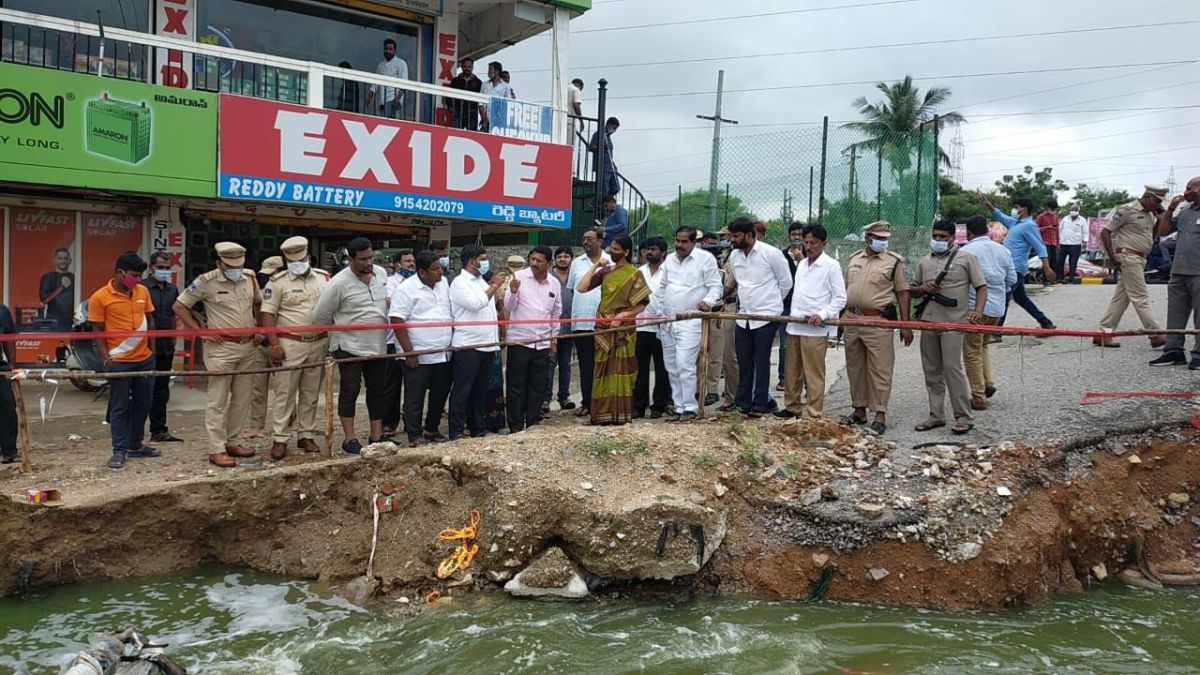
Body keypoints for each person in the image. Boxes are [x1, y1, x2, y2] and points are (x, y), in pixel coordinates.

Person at [174, 242, 261, 468]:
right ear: (219, 263)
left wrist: (259, 328)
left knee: (242, 399)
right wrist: (201, 332)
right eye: (230, 265)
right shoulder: (206, 282)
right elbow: (180, 306)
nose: (235, 269)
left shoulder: (250, 278)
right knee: (218, 400)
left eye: (238, 264)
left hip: (247, 346)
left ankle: (232, 442)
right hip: (221, 349)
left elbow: (258, 304)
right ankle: (216, 448)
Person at [313, 237, 390, 454]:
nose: (368, 262)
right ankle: (349, 438)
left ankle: (376, 435)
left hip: (377, 344)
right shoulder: (337, 283)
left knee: (377, 389)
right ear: (351, 259)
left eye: (371, 257)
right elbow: (320, 316)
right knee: (350, 389)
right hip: (348, 345)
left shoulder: (381, 275)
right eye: (363, 259)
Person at [912, 221, 988, 435]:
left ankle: (963, 416)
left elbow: (981, 286)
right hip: (929, 321)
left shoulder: (966, 258)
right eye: (935, 235)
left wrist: (978, 311)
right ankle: (936, 416)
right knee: (931, 371)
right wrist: (920, 288)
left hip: (954, 322)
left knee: (953, 369)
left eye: (943, 236)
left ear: (953, 238)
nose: (938, 240)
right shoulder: (924, 262)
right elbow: (913, 289)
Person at [841, 221, 914, 435]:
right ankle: (859, 410)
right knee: (855, 367)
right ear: (867, 238)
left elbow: (902, 292)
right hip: (852, 318)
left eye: (885, 238)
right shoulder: (854, 259)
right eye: (878, 238)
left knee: (880, 368)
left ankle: (880, 413)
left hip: (878, 320)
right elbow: (846, 289)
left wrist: (905, 324)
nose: (882, 241)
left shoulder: (894, 262)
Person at [260, 236, 330, 460]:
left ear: (308, 256)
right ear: (286, 260)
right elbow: (267, 315)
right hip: (290, 343)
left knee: (310, 393)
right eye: (293, 260)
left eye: (301, 258)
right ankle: (280, 438)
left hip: (318, 341)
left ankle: (306, 434)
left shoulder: (323, 278)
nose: (298, 263)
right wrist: (274, 345)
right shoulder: (277, 282)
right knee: (285, 393)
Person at [89, 252, 158, 470]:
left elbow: (150, 320)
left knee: (143, 403)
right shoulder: (99, 297)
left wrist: (152, 350)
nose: (137, 280)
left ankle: (135, 445)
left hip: (145, 359)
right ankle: (119, 451)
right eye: (134, 275)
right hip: (119, 361)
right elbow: (97, 331)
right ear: (120, 272)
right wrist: (106, 358)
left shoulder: (142, 291)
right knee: (119, 407)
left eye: (140, 276)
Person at [575, 235, 650, 425]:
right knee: (601, 369)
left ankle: (621, 414)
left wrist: (622, 315)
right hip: (603, 328)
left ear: (626, 252)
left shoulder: (635, 273)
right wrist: (595, 267)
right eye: (611, 248)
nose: (611, 252)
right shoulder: (606, 271)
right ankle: (601, 414)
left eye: (616, 249)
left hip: (623, 331)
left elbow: (642, 304)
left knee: (623, 370)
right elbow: (581, 288)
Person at [775, 224, 845, 420]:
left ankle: (814, 413)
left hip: (814, 329)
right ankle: (792, 407)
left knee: (813, 373)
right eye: (806, 242)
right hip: (795, 325)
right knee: (791, 371)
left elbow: (840, 298)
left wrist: (822, 314)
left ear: (824, 243)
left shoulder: (831, 266)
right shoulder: (802, 265)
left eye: (813, 243)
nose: (809, 246)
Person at [726, 217, 792, 417]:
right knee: (744, 361)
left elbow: (786, 283)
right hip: (744, 315)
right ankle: (742, 403)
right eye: (731, 236)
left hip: (766, 316)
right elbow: (739, 284)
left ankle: (760, 403)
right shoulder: (734, 256)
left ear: (750, 235)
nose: (732, 240)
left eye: (736, 236)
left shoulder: (771, 254)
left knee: (761, 361)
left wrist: (772, 305)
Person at [390, 251, 454, 447]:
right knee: (415, 396)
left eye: (440, 268)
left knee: (440, 393)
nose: (440, 273)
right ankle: (414, 434)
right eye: (435, 270)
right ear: (422, 272)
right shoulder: (406, 289)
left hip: (443, 352)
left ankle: (431, 428)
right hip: (418, 353)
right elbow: (397, 320)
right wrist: (409, 352)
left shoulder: (443, 284)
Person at [658, 227, 722, 421]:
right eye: (677, 241)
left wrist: (708, 302)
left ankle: (690, 407)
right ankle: (678, 407)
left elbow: (715, 287)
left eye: (684, 242)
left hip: (691, 320)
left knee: (684, 363)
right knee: (671, 365)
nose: (679, 245)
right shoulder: (669, 259)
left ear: (694, 242)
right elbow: (663, 287)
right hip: (667, 320)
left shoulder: (705, 259)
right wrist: (661, 313)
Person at [1095, 186, 1168, 348]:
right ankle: (1154, 333)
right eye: (1156, 201)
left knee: (1122, 298)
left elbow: (1151, 237)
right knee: (1140, 297)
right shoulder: (1127, 210)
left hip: (1140, 258)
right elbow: (1105, 232)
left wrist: (1160, 220)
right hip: (1128, 257)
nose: (1157, 205)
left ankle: (1104, 332)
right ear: (1148, 197)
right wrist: (1112, 256)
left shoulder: (1150, 214)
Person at [447, 244, 505, 440]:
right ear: (472, 261)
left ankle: (477, 427)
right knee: (463, 390)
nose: (486, 263)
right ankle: (455, 430)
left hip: (487, 343)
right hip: (468, 345)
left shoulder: (481, 281)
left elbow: (490, 309)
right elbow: (476, 304)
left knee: (480, 390)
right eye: (483, 259)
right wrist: (495, 285)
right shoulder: (459, 283)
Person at [960, 215, 1017, 409]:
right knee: (982, 345)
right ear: (986, 230)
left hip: (975, 309)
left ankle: (978, 396)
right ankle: (988, 383)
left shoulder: (965, 251)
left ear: (968, 232)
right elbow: (1012, 280)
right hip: (997, 309)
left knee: (972, 352)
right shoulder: (1003, 250)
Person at [504, 245, 562, 432]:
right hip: (520, 340)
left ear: (548, 263)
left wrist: (554, 339)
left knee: (538, 386)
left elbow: (556, 313)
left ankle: (532, 423)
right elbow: (509, 306)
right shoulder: (518, 277)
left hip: (543, 342)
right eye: (532, 259)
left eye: (539, 260)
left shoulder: (554, 283)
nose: (534, 263)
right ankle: (515, 425)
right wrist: (512, 291)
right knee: (516, 385)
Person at [983, 195, 1057, 329]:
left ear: (1024, 209)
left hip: (1015, 267)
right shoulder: (1015, 223)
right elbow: (999, 215)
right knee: (1020, 298)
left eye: (1016, 208)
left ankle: (996, 330)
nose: (1014, 210)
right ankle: (1045, 322)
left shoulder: (1029, 226)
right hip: (1009, 266)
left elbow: (1040, 247)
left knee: (1004, 296)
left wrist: (1047, 268)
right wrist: (988, 204)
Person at [1152, 177, 1200, 369]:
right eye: (1186, 187)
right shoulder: (1185, 211)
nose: (1187, 191)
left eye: (1191, 187)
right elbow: (1163, 231)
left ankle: (1198, 354)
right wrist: (1171, 208)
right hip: (1179, 270)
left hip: (1198, 271)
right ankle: (1173, 351)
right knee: (1175, 313)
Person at [142, 252, 182, 443]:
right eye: (161, 267)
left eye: (167, 268)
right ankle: (135, 433)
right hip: (144, 345)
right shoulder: (141, 288)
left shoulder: (172, 289)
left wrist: (174, 337)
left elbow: (174, 314)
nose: (164, 271)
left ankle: (159, 430)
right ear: (151, 267)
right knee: (143, 388)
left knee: (162, 388)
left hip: (166, 345)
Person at [566, 229, 605, 417]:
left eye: (589, 239)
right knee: (585, 366)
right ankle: (587, 402)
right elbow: (574, 290)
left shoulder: (610, 260)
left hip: (604, 323)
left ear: (600, 241)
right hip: (581, 321)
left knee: (604, 364)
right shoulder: (576, 263)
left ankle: (603, 403)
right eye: (583, 239)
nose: (585, 242)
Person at [632, 237, 671, 419]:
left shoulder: (669, 271)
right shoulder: (639, 272)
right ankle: (639, 405)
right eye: (647, 249)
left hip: (662, 327)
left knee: (663, 368)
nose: (649, 252)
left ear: (663, 252)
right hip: (641, 326)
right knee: (639, 368)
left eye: (654, 249)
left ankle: (660, 404)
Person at [245, 256, 283, 437]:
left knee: (284, 387)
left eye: (272, 274)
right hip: (261, 345)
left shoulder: (286, 291)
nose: (269, 278)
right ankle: (256, 426)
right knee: (258, 387)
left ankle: (287, 424)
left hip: (282, 344)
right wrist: (256, 330)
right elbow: (251, 315)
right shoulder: (260, 292)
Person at [382, 250, 416, 439]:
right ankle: (389, 423)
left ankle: (410, 422)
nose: (411, 264)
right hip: (391, 340)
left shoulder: (419, 282)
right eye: (407, 261)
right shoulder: (390, 282)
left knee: (412, 385)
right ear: (397, 264)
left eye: (413, 261)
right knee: (391, 385)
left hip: (412, 340)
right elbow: (390, 301)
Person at [547, 246, 576, 411]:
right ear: (554, 259)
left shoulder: (575, 276)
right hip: (551, 327)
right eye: (559, 256)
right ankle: (546, 399)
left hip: (570, 327)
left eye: (566, 256)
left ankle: (564, 397)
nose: (563, 259)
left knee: (566, 364)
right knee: (550, 363)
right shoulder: (549, 277)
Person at [777, 221, 806, 391]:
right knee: (785, 345)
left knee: (805, 344)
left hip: (804, 307)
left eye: (800, 235)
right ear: (789, 236)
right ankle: (783, 378)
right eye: (794, 234)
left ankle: (805, 381)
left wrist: (801, 261)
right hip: (786, 305)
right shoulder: (781, 256)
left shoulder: (809, 257)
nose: (797, 238)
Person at [366, 38, 407, 119]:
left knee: (392, 125)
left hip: (393, 101)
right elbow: (375, 84)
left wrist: (397, 98)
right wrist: (369, 98)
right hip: (381, 102)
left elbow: (404, 84)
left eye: (390, 49)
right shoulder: (381, 65)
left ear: (395, 51)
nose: (388, 51)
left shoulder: (400, 63)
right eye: (386, 49)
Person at [39, 247, 75, 332]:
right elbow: (44, 300)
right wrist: (61, 287)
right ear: (55, 260)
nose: (63, 261)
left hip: (72, 321)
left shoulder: (75, 277)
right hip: (53, 321)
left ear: (70, 260)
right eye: (60, 258)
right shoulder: (48, 277)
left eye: (66, 258)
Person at [0, 302, 16, 463]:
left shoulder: (2, 310)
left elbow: (9, 339)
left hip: (1, 367)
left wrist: (12, 365)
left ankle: (8, 451)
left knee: (7, 407)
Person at [589, 117, 621, 199]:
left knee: (616, 187)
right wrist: (601, 146)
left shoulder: (608, 137)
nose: (614, 130)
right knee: (604, 189)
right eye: (613, 128)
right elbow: (591, 147)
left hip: (610, 168)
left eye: (615, 128)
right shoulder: (598, 134)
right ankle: (602, 202)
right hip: (602, 167)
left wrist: (613, 164)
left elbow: (609, 153)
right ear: (608, 124)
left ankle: (606, 200)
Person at [448, 56, 482, 131]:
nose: (467, 68)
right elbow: (449, 93)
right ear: (462, 67)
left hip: (472, 112)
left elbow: (481, 98)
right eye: (465, 66)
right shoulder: (455, 81)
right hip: (458, 111)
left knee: (472, 134)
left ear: (472, 67)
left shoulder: (478, 82)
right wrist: (450, 105)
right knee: (456, 133)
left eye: (469, 66)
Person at [479, 61, 513, 131]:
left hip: (499, 121)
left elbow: (508, 104)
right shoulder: (484, 84)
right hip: (486, 120)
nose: (488, 72)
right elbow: (480, 103)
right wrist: (483, 118)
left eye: (490, 70)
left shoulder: (506, 86)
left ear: (497, 71)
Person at [1058, 203, 1088, 282]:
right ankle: (1060, 278)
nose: (1073, 211)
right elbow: (1060, 230)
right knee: (1060, 261)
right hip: (1064, 243)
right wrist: (1059, 240)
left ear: (1078, 211)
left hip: (1076, 244)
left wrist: (1085, 242)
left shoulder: (1082, 220)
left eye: (1075, 210)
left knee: (1073, 262)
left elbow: (1085, 232)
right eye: (1072, 210)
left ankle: (1071, 278)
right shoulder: (1065, 219)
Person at [1035, 200, 1060, 287]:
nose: (1053, 211)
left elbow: (1057, 231)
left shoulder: (1056, 217)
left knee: (1054, 261)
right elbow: (1035, 229)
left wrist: (1058, 243)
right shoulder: (1041, 217)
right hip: (1044, 242)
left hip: (1053, 242)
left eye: (1055, 209)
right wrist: (1046, 228)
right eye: (1052, 209)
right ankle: (1045, 279)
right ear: (1048, 208)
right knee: (1046, 262)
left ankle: (1051, 279)